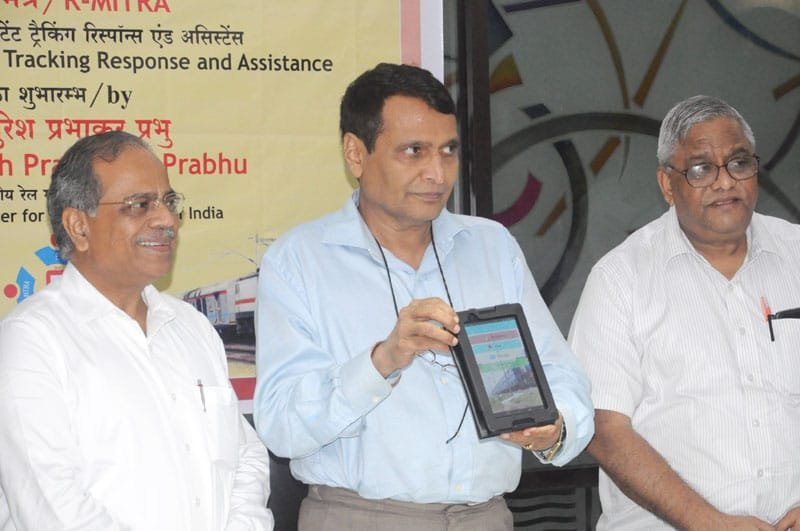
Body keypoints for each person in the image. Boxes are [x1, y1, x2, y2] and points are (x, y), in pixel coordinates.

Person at [253, 62, 594, 530]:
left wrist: (554, 431)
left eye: (448, 151)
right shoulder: (300, 261)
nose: (436, 173)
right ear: (356, 154)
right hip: (362, 517)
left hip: (486, 516)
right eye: (414, 151)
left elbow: (563, 377)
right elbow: (281, 426)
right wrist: (382, 361)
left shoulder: (491, 246)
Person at [0, 131, 274, 530]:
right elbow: (51, 506)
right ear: (78, 226)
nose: (165, 219)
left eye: (169, 201)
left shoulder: (191, 326)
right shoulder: (31, 341)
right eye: (139, 205)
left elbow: (245, 458)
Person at [568, 95, 800, 530]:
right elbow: (603, 428)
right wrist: (707, 523)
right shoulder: (622, 279)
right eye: (700, 169)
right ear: (666, 184)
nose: (724, 182)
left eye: (739, 163)